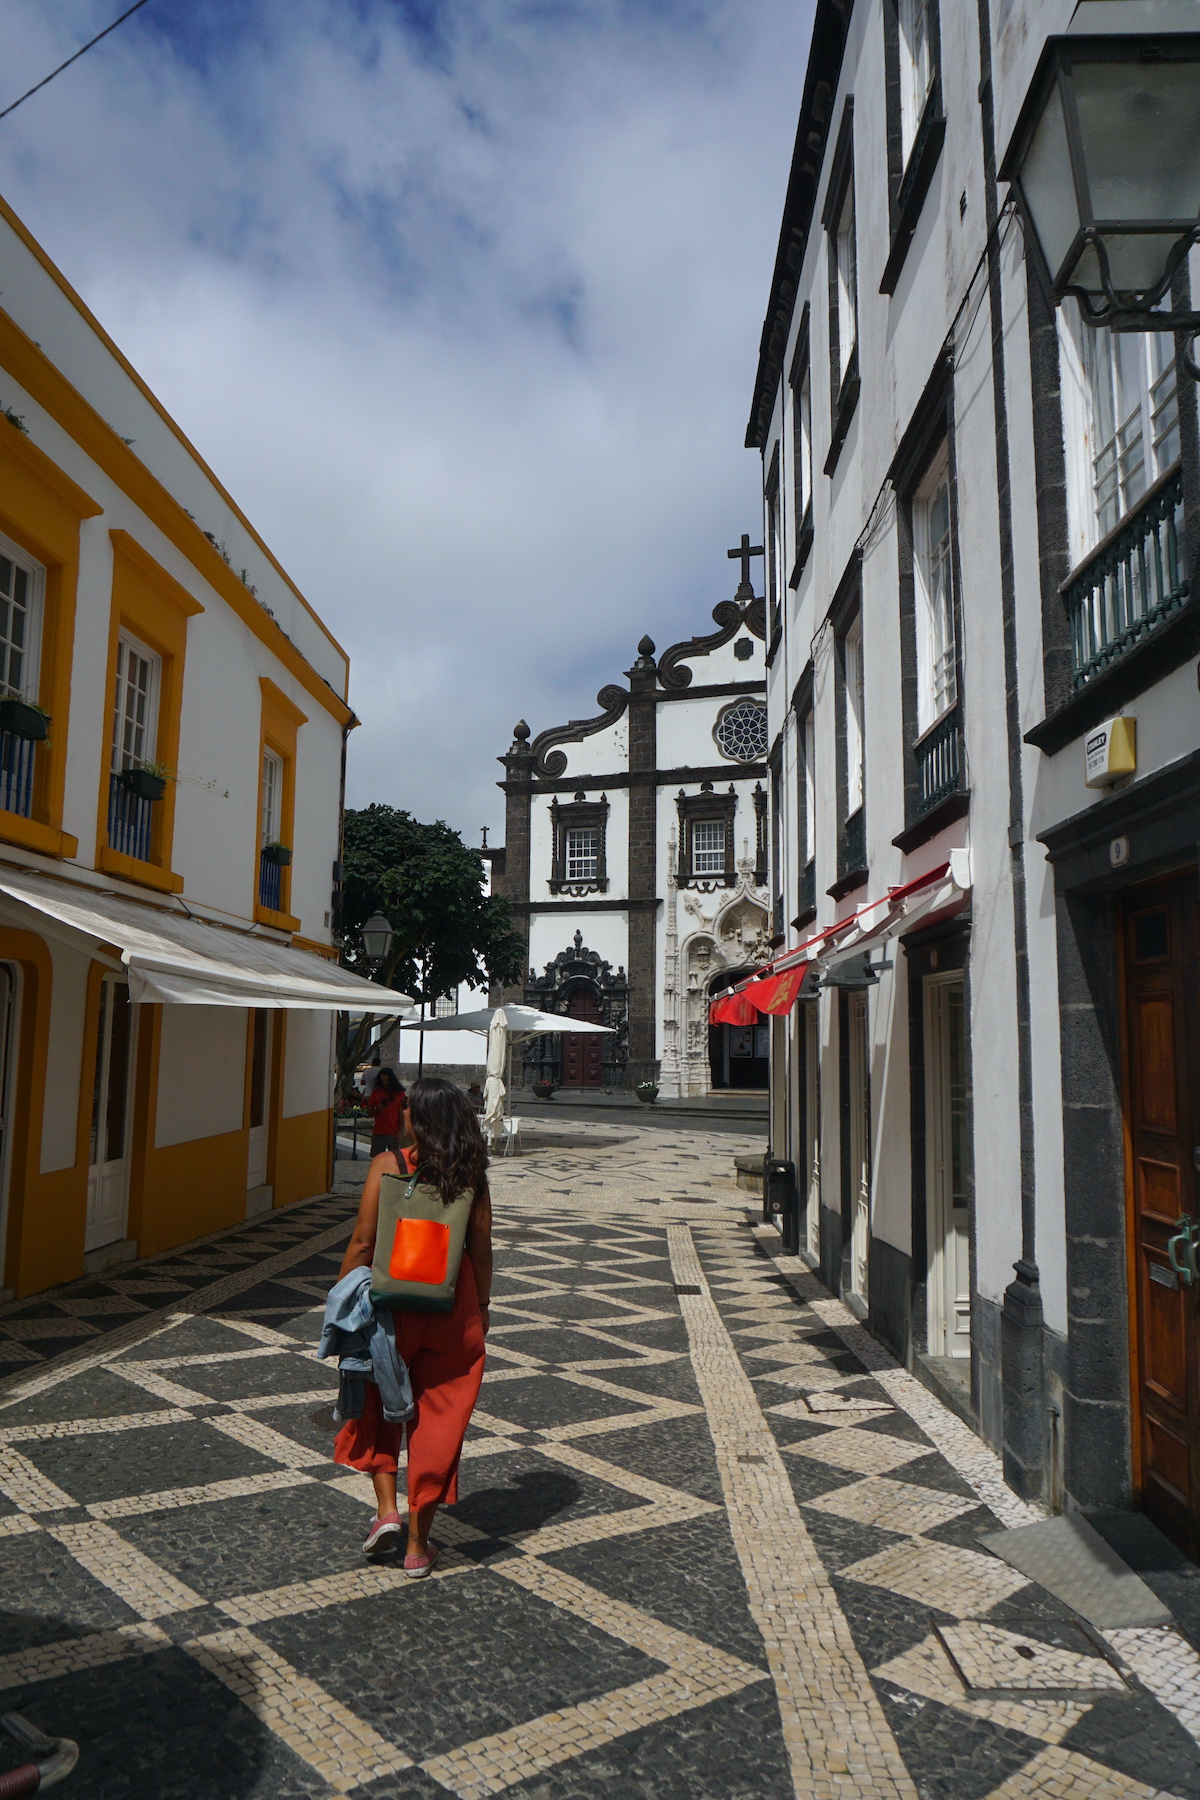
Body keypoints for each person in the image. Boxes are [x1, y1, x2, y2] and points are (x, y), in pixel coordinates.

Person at [333, 1076, 492, 1575]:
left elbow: (362, 1243)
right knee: (441, 1416)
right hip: (451, 1306)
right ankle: (419, 1546)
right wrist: (481, 1310)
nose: (400, 1114)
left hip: (391, 1301)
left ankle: (386, 1512)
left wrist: (340, 1305)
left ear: (419, 1117)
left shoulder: (387, 1166)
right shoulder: (471, 1173)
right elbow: (482, 1252)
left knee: (378, 1399)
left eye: (407, 1109)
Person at [364, 1067, 407, 1158]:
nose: (385, 1083)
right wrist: (378, 1109)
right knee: (377, 1159)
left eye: (387, 1080)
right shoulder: (376, 1092)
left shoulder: (399, 1093)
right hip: (379, 1132)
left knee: (395, 1159)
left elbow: (402, 1113)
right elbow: (369, 1112)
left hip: (393, 1132)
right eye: (383, 1080)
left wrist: (400, 1131)